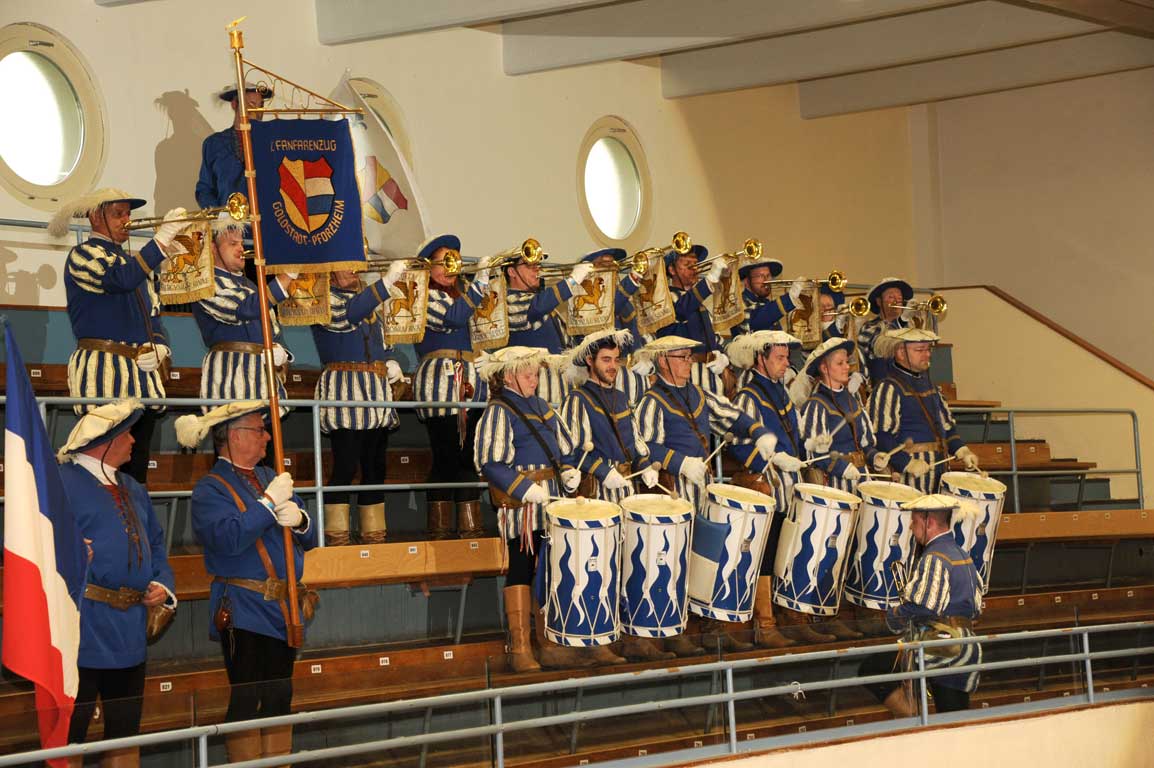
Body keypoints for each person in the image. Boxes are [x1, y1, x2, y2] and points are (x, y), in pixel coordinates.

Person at [179, 401, 317, 764]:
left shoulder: (271, 474)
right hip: (243, 608)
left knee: (279, 696)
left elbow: (312, 537)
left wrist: (300, 520)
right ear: (234, 436)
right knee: (247, 697)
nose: (267, 437)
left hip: (282, 607)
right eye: (259, 430)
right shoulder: (210, 489)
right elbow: (229, 538)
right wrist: (269, 503)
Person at [635, 335, 777, 654]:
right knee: (675, 558)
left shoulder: (698, 393)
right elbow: (644, 446)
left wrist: (758, 432)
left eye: (689, 356)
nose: (689, 362)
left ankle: (707, 626)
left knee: (703, 557)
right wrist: (681, 463)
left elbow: (730, 415)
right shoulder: (651, 401)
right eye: (682, 357)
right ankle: (674, 626)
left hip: (701, 487)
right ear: (663, 361)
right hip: (672, 490)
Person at [60, 399, 176, 768]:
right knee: (69, 737)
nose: (133, 441)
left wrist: (162, 583)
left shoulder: (133, 487)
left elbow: (156, 543)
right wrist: (66, 548)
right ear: (106, 439)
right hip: (81, 629)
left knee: (125, 735)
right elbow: (25, 536)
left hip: (130, 631)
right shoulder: (59, 482)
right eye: (126, 434)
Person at [474, 346, 605, 671]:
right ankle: (520, 648)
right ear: (509, 376)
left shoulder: (543, 406)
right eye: (528, 374)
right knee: (522, 567)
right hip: (522, 507)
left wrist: (569, 473)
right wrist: (524, 488)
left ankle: (548, 642)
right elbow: (490, 462)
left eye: (536, 374)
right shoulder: (498, 410)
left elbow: (565, 450)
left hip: (553, 503)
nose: (534, 380)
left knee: (550, 570)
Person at [49, 188, 188, 483]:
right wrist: (161, 240)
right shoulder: (83, 255)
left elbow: (154, 316)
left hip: (142, 379)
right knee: (103, 468)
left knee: (136, 472)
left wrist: (160, 347)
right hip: (104, 374)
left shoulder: (137, 265)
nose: (126, 220)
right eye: (117, 214)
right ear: (94, 216)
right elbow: (118, 280)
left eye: (127, 213)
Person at [859, 494, 983, 717]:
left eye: (914, 521)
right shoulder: (963, 555)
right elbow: (977, 607)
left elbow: (925, 607)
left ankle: (914, 718)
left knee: (872, 668)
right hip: (966, 645)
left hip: (943, 645)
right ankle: (920, 720)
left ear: (929, 522)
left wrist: (893, 616)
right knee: (953, 714)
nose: (910, 526)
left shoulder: (934, 557)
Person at [311, 263, 407, 544]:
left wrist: (391, 360)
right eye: (348, 265)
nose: (355, 270)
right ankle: (336, 534)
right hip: (345, 391)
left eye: (357, 265)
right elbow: (348, 315)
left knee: (375, 466)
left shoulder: (366, 300)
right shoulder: (323, 298)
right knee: (346, 465)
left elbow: (383, 342)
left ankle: (373, 533)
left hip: (375, 393)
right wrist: (385, 283)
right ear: (331, 270)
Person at [725, 331, 806, 649]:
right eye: (780, 358)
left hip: (790, 486)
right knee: (767, 552)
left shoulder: (781, 392)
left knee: (787, 550)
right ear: (761, 358)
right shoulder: (748, 396)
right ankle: (765, 622)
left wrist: (807, 448)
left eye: (787, 357)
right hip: (767, 486)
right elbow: (737, 443)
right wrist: (772, 459)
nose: (786, 364)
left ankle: (790, 616)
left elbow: (793, 435)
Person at [412, 234, 491, 538]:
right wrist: (480, 284)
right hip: (440, 385)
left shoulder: (464, 296)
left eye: (453, 261)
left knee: (468, 457)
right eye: (443, 261)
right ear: (427, 267)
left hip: (470, 383)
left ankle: (470, 527)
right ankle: (441, 529)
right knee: (445, 456)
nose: (450, 268)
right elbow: (453, 319)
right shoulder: (425, 296)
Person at [193, 216, 298, 412]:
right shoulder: (205, 283)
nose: (241, 248)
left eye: (241, 243)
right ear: (213, 248)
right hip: (230, 381)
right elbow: (244, 309)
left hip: (264, 384)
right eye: (233, 244)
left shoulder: (251, 286)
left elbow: (273, 330)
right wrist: (287, 276)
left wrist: (282, 353)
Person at [868, 327, 979, 493]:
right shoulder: (888, 388)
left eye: (928, 350)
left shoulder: (932, 387)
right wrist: (907, 463)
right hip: (907, 481)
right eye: (920, 350)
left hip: (939, 475)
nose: (927, 355)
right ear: (901, 353)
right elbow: (882, 437)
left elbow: (947, 428)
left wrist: (962, 451)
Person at [504, 245, 593, 405]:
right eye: (529, 265)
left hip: (559, 391)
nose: (536, 269)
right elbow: (536, 307)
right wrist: (571, 281)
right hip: (534, 394)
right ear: (511, 271)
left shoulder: (547, 306)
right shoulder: (509, 302)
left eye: (537, 265)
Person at [795, 337, 879, 495]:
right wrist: (842, 468)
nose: (847, 367)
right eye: (840, 363)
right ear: (824, 368)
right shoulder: (816, 405)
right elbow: (815, 453)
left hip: (862, 481)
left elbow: (864, 443)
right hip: (835, 486)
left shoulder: (853, 401)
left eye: (847, 362)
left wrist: (874, 456)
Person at [656, 245, 731, 398]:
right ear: (672, 270)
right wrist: (710, 280)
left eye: (695, 264)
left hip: (710, 380)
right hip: (686, 378)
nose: (694, 269)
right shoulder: (666, 299)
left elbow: (714, 338)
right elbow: (681, 310)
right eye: (687, 264)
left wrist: (723, 357)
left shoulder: (699, 304)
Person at [195, 83, 273, 208]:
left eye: (260, 106)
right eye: (251, 105)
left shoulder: (271, 142)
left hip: (266, 218)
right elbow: (205, 189)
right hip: (227, 218)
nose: (256, 112)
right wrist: (220, 215)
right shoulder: (214, 143)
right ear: (234, 104)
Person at [731, 253, 805, 336]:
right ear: (746, 281)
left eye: (768, 275)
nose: (766, 280)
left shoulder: (765, 303)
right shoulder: (738, 303)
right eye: (760, 276)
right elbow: (756, 321)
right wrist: (789, 298)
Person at [857, 277, 915, 381]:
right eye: (891, 297)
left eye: (900, 297)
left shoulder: (910, 325)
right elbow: (879, 346)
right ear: (879, 302)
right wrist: (901, 321)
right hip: (883, 383)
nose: (897, 300)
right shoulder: (869, 326)